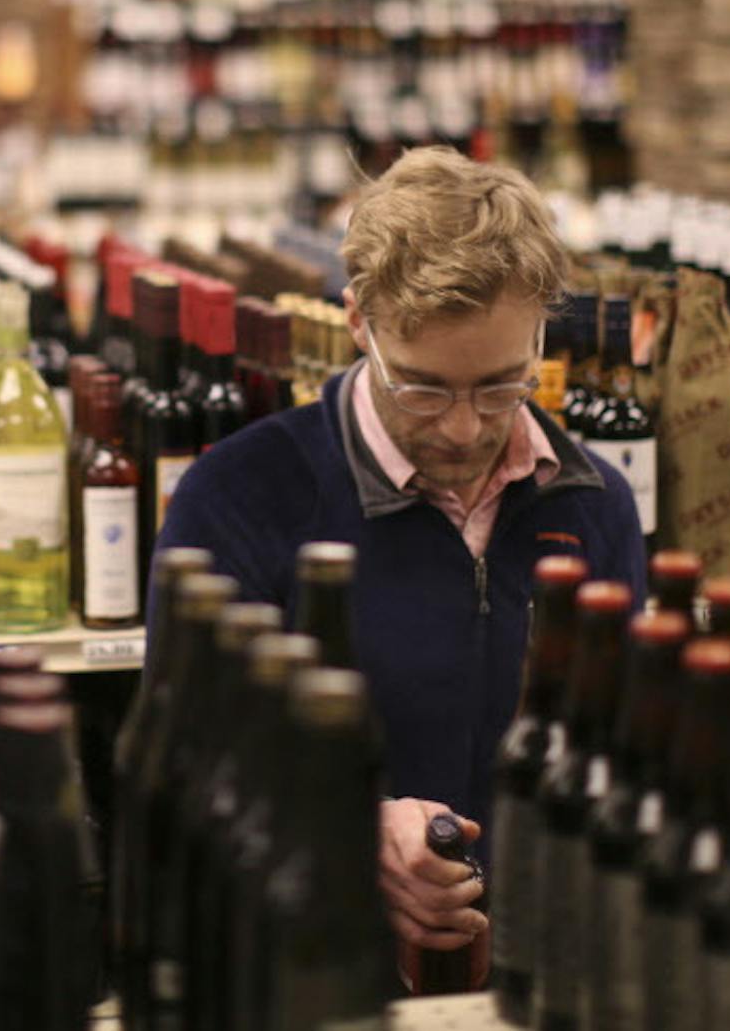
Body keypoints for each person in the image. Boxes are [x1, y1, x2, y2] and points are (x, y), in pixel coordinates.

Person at [152, 145, 646, 960]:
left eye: (501, 385)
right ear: (357, 322)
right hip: (313, 975)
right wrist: (347, 825)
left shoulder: (596, 508)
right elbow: (182, 763)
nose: (464, 427)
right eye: (421, 387)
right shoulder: (236, 497)